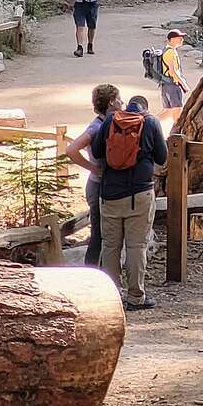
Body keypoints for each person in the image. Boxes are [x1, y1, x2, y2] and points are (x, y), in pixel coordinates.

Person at [90, 93, 167, 310]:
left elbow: (96, 151)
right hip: (139, 194)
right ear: (144, 108)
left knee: (110, 245)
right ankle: (135, 297)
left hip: (110, 194)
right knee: (136, 246)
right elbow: (162, 157)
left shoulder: (110, 120)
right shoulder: (150, 122)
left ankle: (112, 295)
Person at [63, 82, 121, 267]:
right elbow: (71, 149)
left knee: (107, 233)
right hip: (97, 186)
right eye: (119, 99)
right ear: (111, 102)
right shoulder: (96, 127)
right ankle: (91, 272)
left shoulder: (110, 122)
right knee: (98, 234)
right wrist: (93, 168)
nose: (122, 102)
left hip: (106, 186)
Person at [158, 30, 189, 122]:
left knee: (168, 111)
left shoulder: (167, 50)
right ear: (171, 39)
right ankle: (175, 133)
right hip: (172, 85)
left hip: (165, 85)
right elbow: (173, 71)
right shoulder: (170, 52)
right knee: (177, 110)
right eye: (179, 38)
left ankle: (149, 123)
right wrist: (183, 84)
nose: (181, 39)